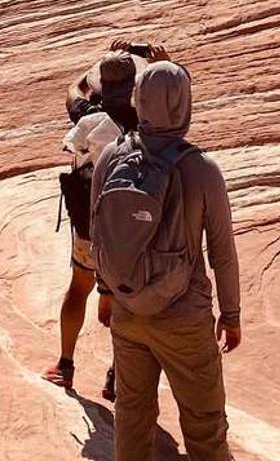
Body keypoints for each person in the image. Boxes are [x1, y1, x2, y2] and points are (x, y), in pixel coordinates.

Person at [92, 54, 240, 461]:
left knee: (132, 416)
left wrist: (106, 291)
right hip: (183, 316)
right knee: (204, 424)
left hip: (128, 309)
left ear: (138, 99)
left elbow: (98, 230)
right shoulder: (202, 169)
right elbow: (222, 251)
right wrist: (231, 315)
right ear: (184, 104)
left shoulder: (111, 157)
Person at [42, 51, 136, 395]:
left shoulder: (87, 117)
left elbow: (72, 91)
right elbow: (178, 96)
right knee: (127, 302)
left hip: (89, 227)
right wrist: (159, 62)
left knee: (79, 289)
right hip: (130, 231)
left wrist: (93, 69)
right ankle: (117, 375)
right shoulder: (144, 119)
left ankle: (65, 365)